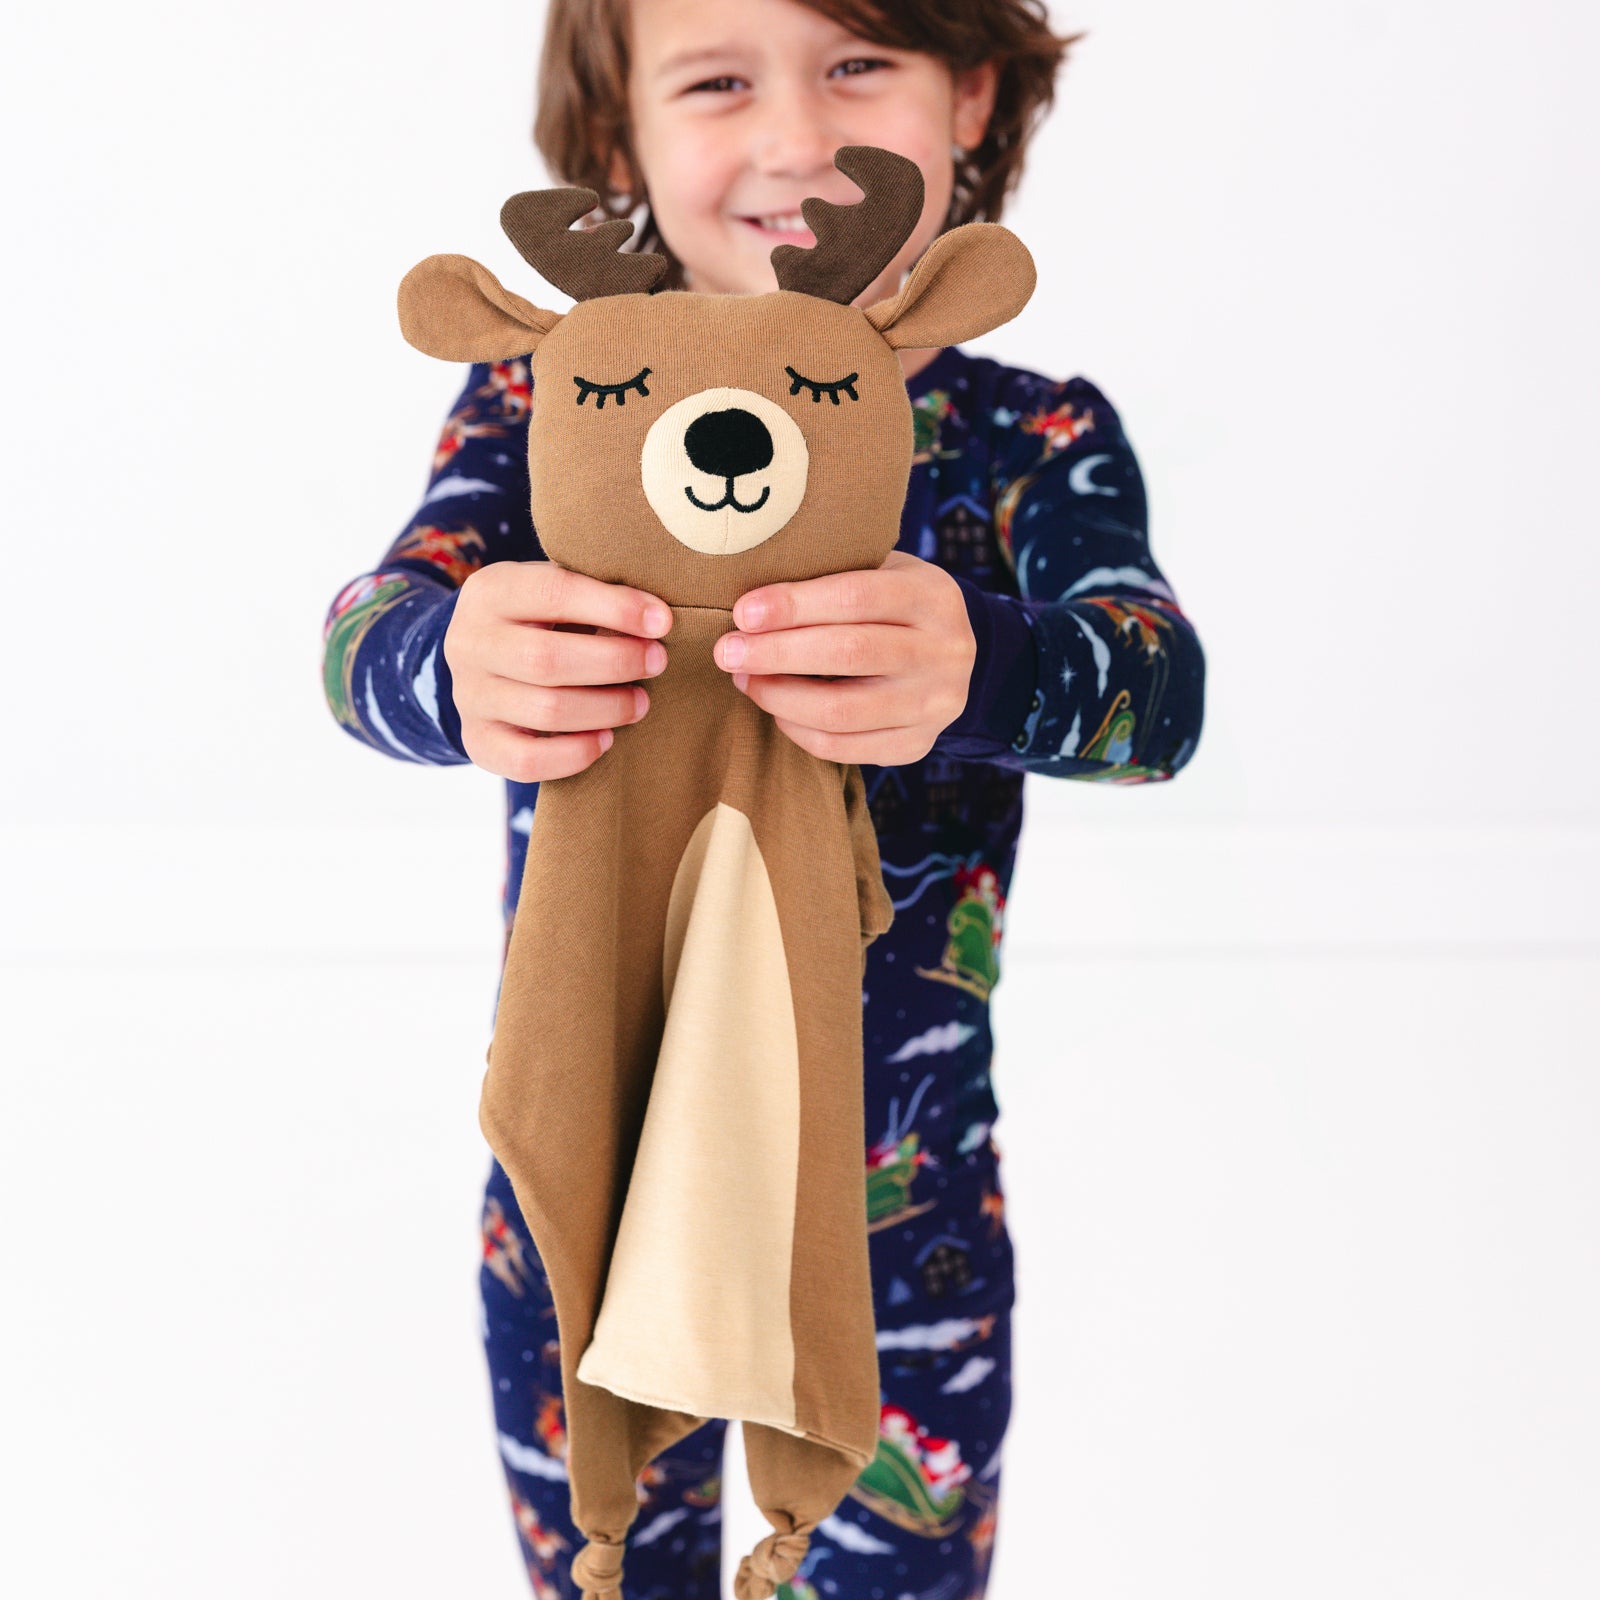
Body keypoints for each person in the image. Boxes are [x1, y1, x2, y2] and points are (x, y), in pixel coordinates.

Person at [320, 1, 1206, 1594]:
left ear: (971, 96)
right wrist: (456, 660)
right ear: (618, 145)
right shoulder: (544, 408)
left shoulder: (1031, 434)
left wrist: (981, 669)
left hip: (904, 1217)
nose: (799, 136)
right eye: (720, 80)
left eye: (858, 64)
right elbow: (362, 645)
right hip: (585, 1198)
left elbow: (1158, 694)